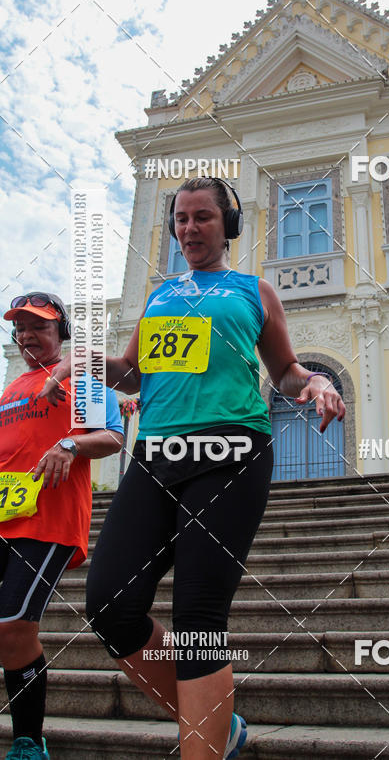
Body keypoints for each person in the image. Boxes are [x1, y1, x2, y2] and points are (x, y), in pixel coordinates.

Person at [40, 177, 346, 760]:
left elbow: (284, 371)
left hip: (232, 451)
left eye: (202, 217)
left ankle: (201, 748)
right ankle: (214, 725)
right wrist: (86, 362)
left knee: (199, 612)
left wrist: (317, 380)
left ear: (228, 224)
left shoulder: (252, 290)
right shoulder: (160, 296)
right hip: (157, 455)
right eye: (180, 218)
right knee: (109, 603)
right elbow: (134, 374)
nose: (189, 229)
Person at [0, 293, 124, 760]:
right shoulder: (13, 388)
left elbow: (113, 435)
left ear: (62, 333)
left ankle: (30, 741)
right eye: (21, 327)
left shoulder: (82, 378)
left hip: (48, 522)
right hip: (3, 518)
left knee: (11, 625)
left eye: (40, 327)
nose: (28, 335)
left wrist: (69, 446)